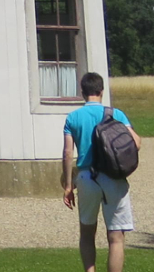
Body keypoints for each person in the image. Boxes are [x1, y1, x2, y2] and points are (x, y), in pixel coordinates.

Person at [62, 72, 141, 272]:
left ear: (82, 92)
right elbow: (137, 143)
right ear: (102, 91)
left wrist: (68, 186)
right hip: (113, 177)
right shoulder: (116, 114)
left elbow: (68, 152)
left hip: (86, 177)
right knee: (116, 238)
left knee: (87, 234)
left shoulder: (73, 118)